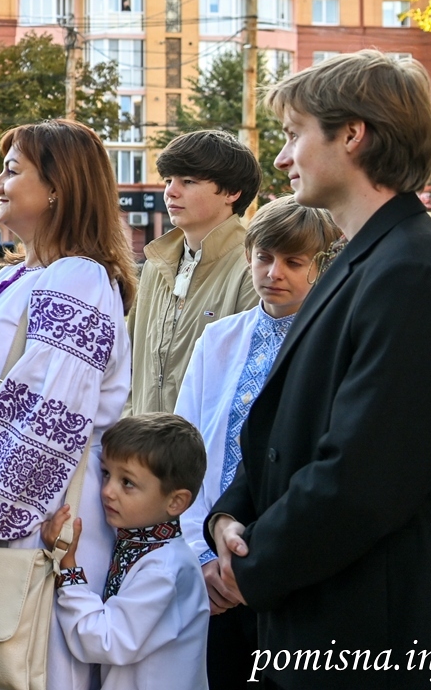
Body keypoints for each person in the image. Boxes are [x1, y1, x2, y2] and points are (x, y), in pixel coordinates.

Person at [208, 51, 431, 687]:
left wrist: (249, 567)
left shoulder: (415, 273)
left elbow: (365, 475)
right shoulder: (364, 261)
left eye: (293, 134)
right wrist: (229, 515)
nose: (282, 158)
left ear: (353, 134)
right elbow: (287, 430)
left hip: (375, 637)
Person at [0, 119, 137, 690]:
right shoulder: (21, 276)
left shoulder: (79, 281)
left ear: (58, 188)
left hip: (27, 519)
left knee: (16, 661)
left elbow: (45, 426)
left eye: (11, 172)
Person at [173, 195, 338, 688]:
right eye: (264, 257)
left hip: (292, 570)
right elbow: (184, 450)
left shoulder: (333, 348)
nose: (274, 272)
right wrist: (202, 555)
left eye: (294, 262)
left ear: (321, 265)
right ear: (248, 256)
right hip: (209, 568)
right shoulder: (218, 339)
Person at [41, 413, 210, 689]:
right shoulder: (140, 545)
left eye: (127, 482)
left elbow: (105, 641)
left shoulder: (164, 570)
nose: (107, 491)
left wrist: (68, 568)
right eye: (106, 474)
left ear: (176, 502)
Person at [127, 130, 261, 415]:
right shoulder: (154, 265)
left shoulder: (253, 268)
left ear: (232, 192)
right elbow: (128, 364)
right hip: (141, 438)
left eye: (188, 181)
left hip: (205, 440)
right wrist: (128, 423)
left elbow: (252, 381)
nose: (171, 191)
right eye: (168, 180)